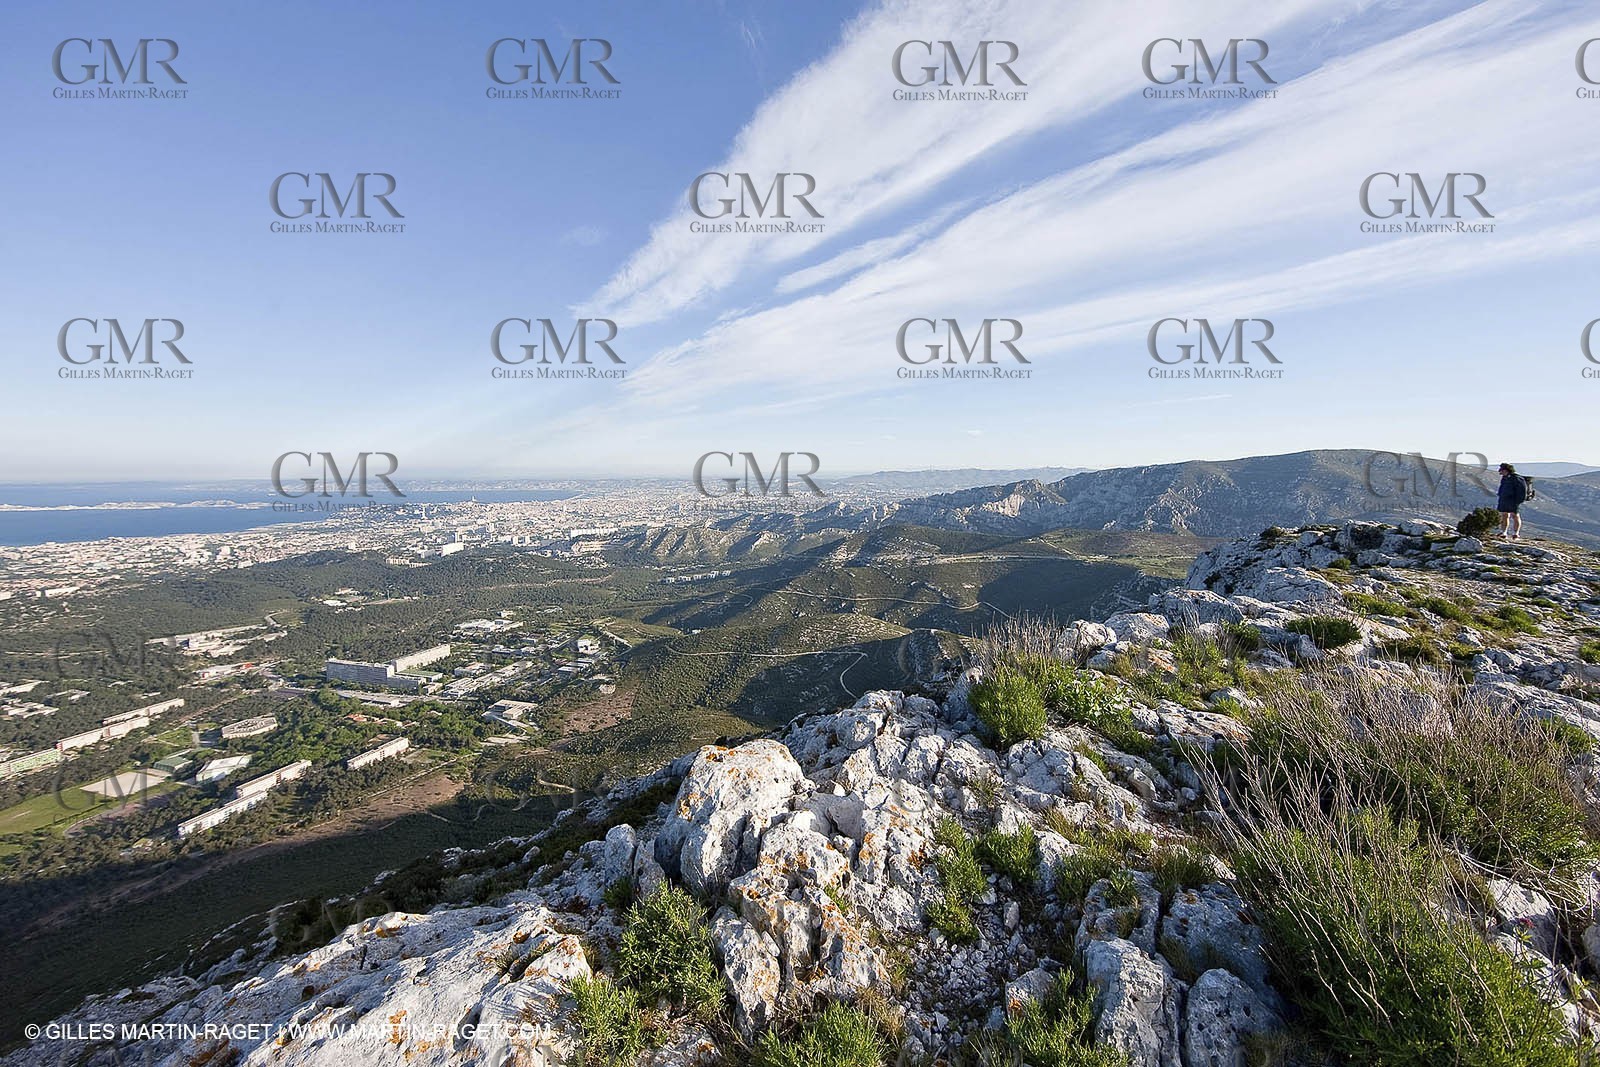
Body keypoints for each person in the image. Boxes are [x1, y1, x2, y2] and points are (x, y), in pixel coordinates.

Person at [1496, 462, 1528, 541]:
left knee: (1515, 516)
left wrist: (1518, 501)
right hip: (1504, 499)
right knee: (1504, 515)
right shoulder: (1505, 478)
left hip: (1513, 500)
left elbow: (1522, 490)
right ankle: (1504, 532)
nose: (1500, 472)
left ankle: (1516, 533)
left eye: (1502, 470)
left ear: (1507, 470)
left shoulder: (1517, 478)